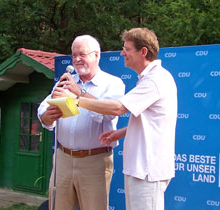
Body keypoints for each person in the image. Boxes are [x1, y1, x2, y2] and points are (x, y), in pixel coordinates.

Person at [55, 28, 177, 210]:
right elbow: (153, 122)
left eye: (127, 49)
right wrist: (120, 133)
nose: (122, 53)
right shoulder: (149, 79)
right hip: (140, 169)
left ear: (143, 51)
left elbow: (118, 108)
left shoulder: (155, 80)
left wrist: (77, 100)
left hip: (147, 171)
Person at [37, 35, 125, 210]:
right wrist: (47, 116)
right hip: (63, 159)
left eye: (82, 54)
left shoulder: (113, 83)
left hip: (95, 160)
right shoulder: (65, 82)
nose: (77, 59)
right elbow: (43, 110)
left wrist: (79, 94)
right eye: (74, 55)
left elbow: (107, 114)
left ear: (96, 55)